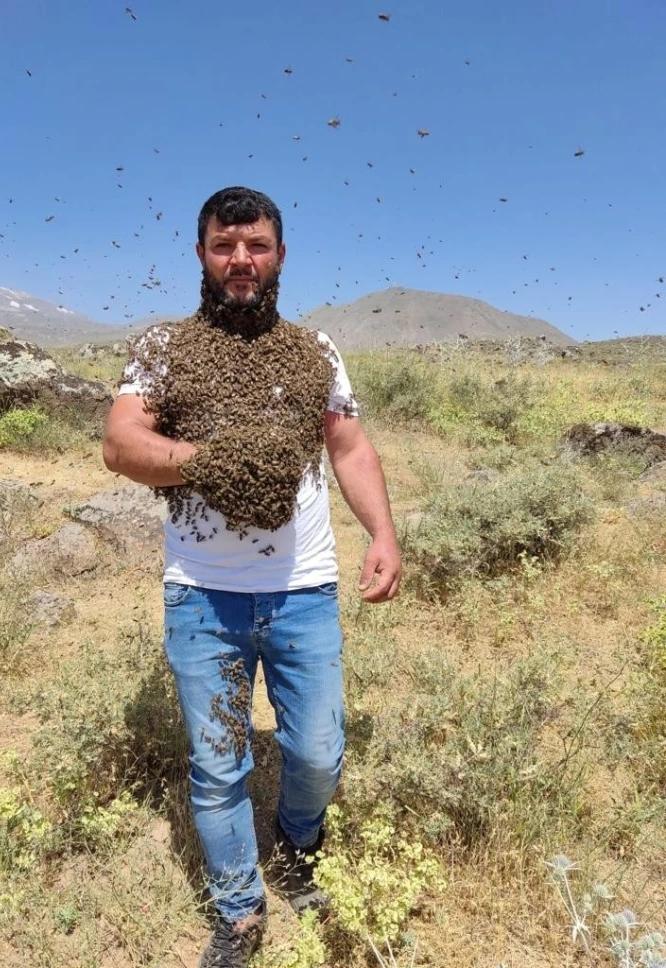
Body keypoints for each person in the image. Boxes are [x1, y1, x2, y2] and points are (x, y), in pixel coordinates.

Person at [103, 186, 401, 968]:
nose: (241, 261)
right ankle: (238, 910)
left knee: (316, 753)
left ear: (279, 253)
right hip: (201, 594)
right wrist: (211, 462)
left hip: (304, 588)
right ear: (201, 253)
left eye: (256, 246)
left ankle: (299, 844)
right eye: (224, 246)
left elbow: (350, 450)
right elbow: (121, 442)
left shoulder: (317, 351)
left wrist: (383, 531)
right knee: (216, 764)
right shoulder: (162, 348)